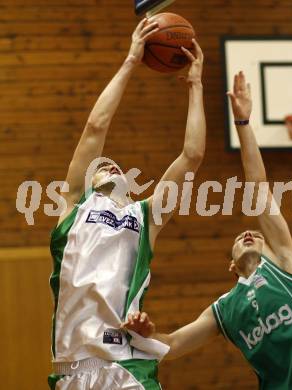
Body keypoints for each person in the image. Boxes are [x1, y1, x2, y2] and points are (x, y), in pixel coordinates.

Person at [123, 72, 292, 389]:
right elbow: (173, 345)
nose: (250, 234)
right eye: (241, 239)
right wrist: (145, 335)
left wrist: (243, 124)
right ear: (232, 266)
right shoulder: (226, 309)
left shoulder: (286, 266)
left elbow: (257, 187)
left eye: (258, 236)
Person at [48, 18, 206, 390]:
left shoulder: (145, 215)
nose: (110, 164)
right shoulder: (72, 209)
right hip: (72, 371)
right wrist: (131, 60)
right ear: (88, 179)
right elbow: (96, 127)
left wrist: (196, 83)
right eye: (103, 165)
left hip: (128, 369)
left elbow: (192, 156)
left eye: (117, 166)